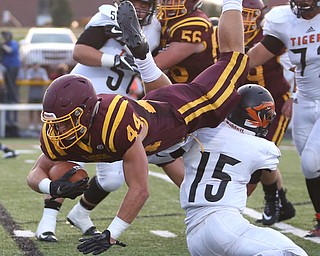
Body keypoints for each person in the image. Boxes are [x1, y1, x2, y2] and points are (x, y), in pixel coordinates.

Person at [27, 0, 248, 253]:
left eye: (67, 122)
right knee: (157, 113)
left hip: (178, 115)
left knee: (233, 59)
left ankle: (232, 2)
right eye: (57, 122)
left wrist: (113, 233)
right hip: (145, 117)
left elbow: (141, 189)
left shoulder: (117, 125)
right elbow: (35, 172)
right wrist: (51, 186)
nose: (60, 130)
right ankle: (143, 57)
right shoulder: (60, 128)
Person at [34, 0, 170, 242]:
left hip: (113, 110)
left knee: (113, 179)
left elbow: (155, 69)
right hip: (77, 100)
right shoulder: (110, 15)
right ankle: (47, 222)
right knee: (66, 160)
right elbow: (80, 51)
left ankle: (81, 214)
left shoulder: (156, 29)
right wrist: (115, 60)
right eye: (135, 2)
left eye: (145, 3)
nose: (139, 8)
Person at [148, 84, 307, 256]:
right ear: (252, 115)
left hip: (194, 235)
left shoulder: (202, 131)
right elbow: (249, 189)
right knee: (292, 252)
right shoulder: (264, 148)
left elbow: (157, 156)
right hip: (224, 226)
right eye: (265, 115)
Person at [246, 0, 320, 237]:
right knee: (311, 167)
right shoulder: (284, 20)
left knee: (311, 161)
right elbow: (258, 55)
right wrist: (225, 69)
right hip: (304, 101)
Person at [240, 0, 296, 225]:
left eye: (249, 15)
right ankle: (282, 202)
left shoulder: (271, 34)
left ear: (260, 16)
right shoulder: (226, 35)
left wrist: (294, 95)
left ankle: (273, 201)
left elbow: (297, 63)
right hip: (245, 107)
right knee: (255, 155)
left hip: (275, 104)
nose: (243, 20)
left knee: (263, 154)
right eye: (240, 14)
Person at [153, 0, 215, 86]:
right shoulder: (167, 19)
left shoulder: (195, 23)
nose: (170, 3)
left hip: (196, 90)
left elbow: (157, 64)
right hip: (174, 86)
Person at [0, 31, 21, 134]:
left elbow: (10, 51)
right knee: (7, 87)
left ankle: (14, 98)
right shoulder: (5, 44)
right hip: (6, 67)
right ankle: (8, 97)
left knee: (12, 85)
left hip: (13, 66)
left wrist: (3, 45)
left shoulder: (13, 43)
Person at [26, 63, 50, 128]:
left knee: (40, 110)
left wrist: (40, 78)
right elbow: (28, 78)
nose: (36, 66)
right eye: (34, 64)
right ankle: (31, 124)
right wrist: (35, 78)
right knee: (31, 110)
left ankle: (40, 124)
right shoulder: (30, 71)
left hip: (40, 94)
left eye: (37, 64)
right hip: (31, 95)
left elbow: (46, 79)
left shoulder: (42, 71)